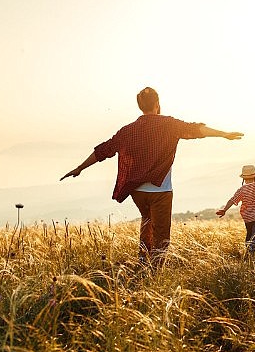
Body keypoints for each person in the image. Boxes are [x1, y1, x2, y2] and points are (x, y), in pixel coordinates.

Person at [61, 87, 243, 268]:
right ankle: (155, 271)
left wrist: (80, 168)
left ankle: (143, 260)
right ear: (157, 104)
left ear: (140, 106)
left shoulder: (128, 130)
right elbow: (196, 129)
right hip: (161, 191)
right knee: (161, 234)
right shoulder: (169, 125)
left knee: (147, 220)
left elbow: (104, 150)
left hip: (137, 192)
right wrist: (223, 134)